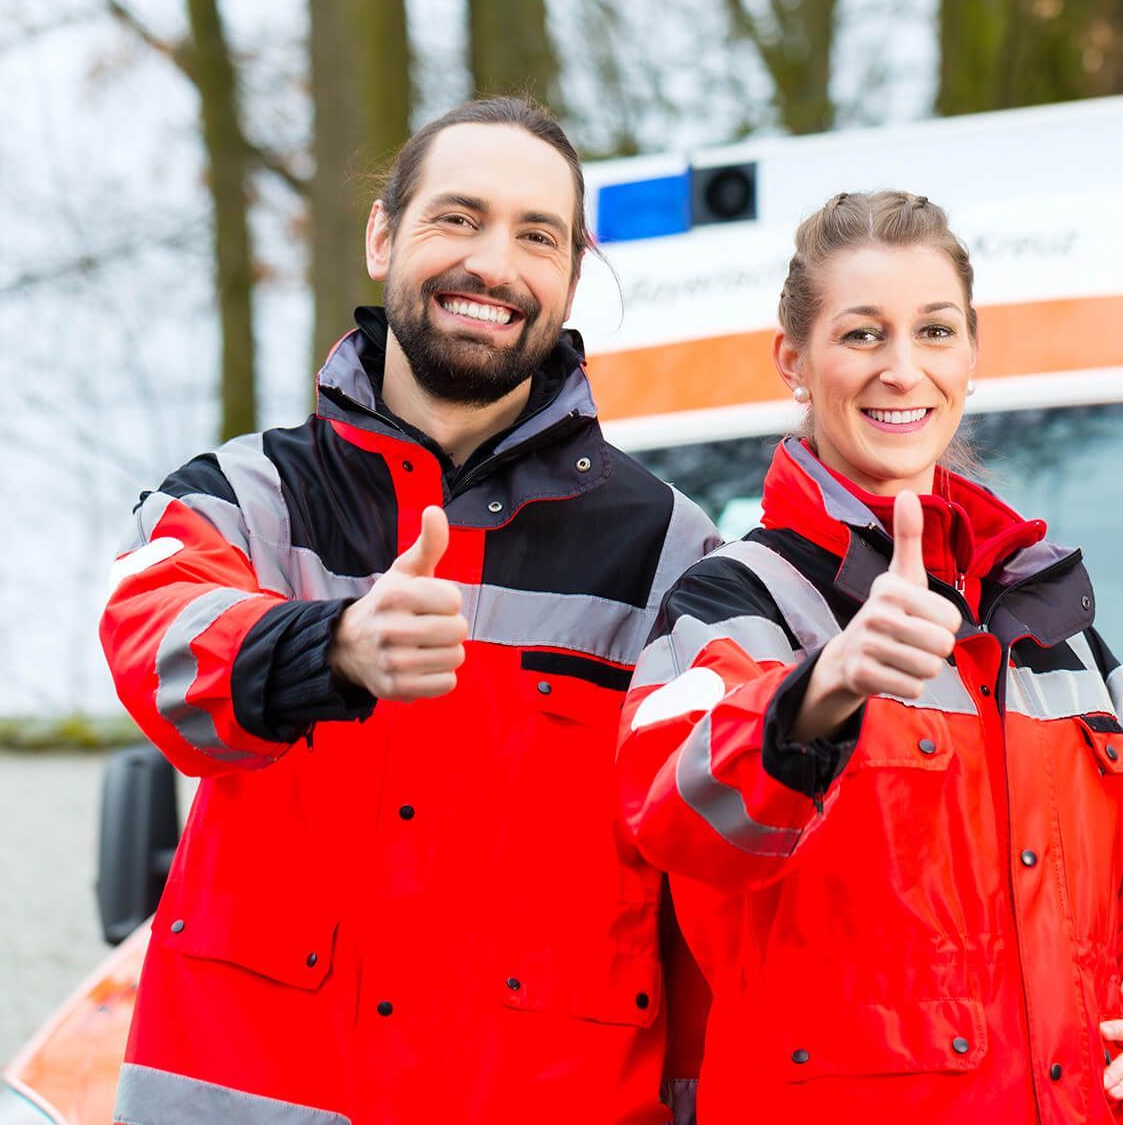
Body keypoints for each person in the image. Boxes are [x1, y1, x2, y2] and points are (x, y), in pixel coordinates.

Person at [101, 97, 720, 1124]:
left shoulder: (673, 554)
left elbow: (711, 891)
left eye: (537, 236)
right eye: (458, 218)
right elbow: (153, 641)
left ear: (571, 278)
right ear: (383, 235)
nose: (493, 263)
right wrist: (332, 645)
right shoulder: (244, 497)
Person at [617, 191, 1123, 1124]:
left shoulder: (1048, 621)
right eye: (861, 335)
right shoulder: (737, 600)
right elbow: (675, 817)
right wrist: (822, 689)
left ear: (971, 352)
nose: (902, 368)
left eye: (933, 330)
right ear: (792, 360)